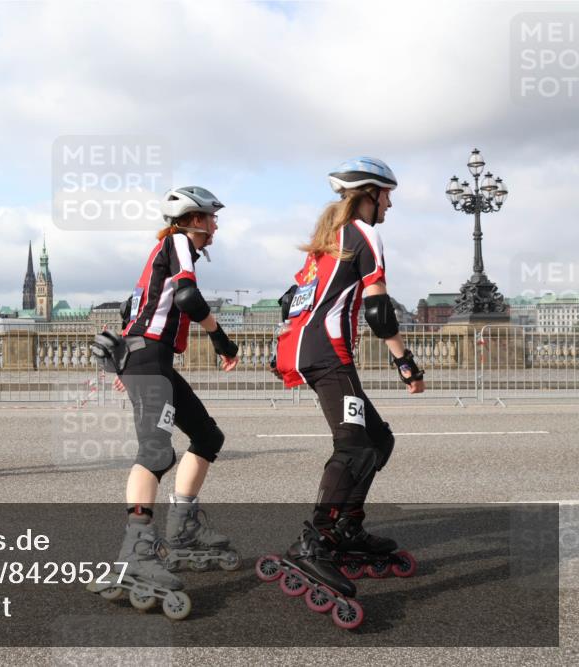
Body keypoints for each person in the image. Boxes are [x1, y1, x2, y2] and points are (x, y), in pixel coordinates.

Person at [273, 157, 425, 599]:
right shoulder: (363, 233)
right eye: (387, 195)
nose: (390, 205)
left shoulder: (327, 242)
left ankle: (346, 527)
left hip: (310, 349)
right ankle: (315, 541)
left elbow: (289, 303)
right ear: (369, 195)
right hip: (327, 354)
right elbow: (378, 310)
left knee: (378, 440)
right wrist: (406, 363)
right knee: (355, 447)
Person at [95, 186, 242, 606]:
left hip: (151, 361)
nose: (215, 226)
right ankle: (137, 551)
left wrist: (127, 358)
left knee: (208, 437)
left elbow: (131, 309)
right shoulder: (177, 242)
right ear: (194, 220)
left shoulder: (170, 252)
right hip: (149, 360)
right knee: (156, 453)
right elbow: (187, 297)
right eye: (212, 218)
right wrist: (223, 342)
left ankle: (183, 527)